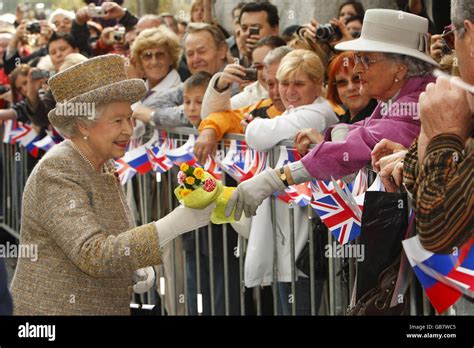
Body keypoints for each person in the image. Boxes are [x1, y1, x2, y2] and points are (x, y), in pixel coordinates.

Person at [9, 54, 214, 315]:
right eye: (117, 121)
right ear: (83, 124)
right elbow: (93, 254)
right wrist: (175, 223)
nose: (129, 130)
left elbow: (110, 240)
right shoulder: (58, 169)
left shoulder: (101, 162)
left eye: (129, 118)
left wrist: (133, 266)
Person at [225, 9, 438, 221]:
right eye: (357, 58)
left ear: (399, 70)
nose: (356, 69)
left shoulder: (417, 102)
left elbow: (365, 139)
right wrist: (340, 131)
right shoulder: (399, 97)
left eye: (367, 60)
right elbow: (365, 129)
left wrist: (274, 179)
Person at [295, 52, 377, 155]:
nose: (350, 87)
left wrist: (321, 145)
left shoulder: (383, 122)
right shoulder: (339, 122)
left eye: (357, 79)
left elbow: (351, 163)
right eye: (342, 82)